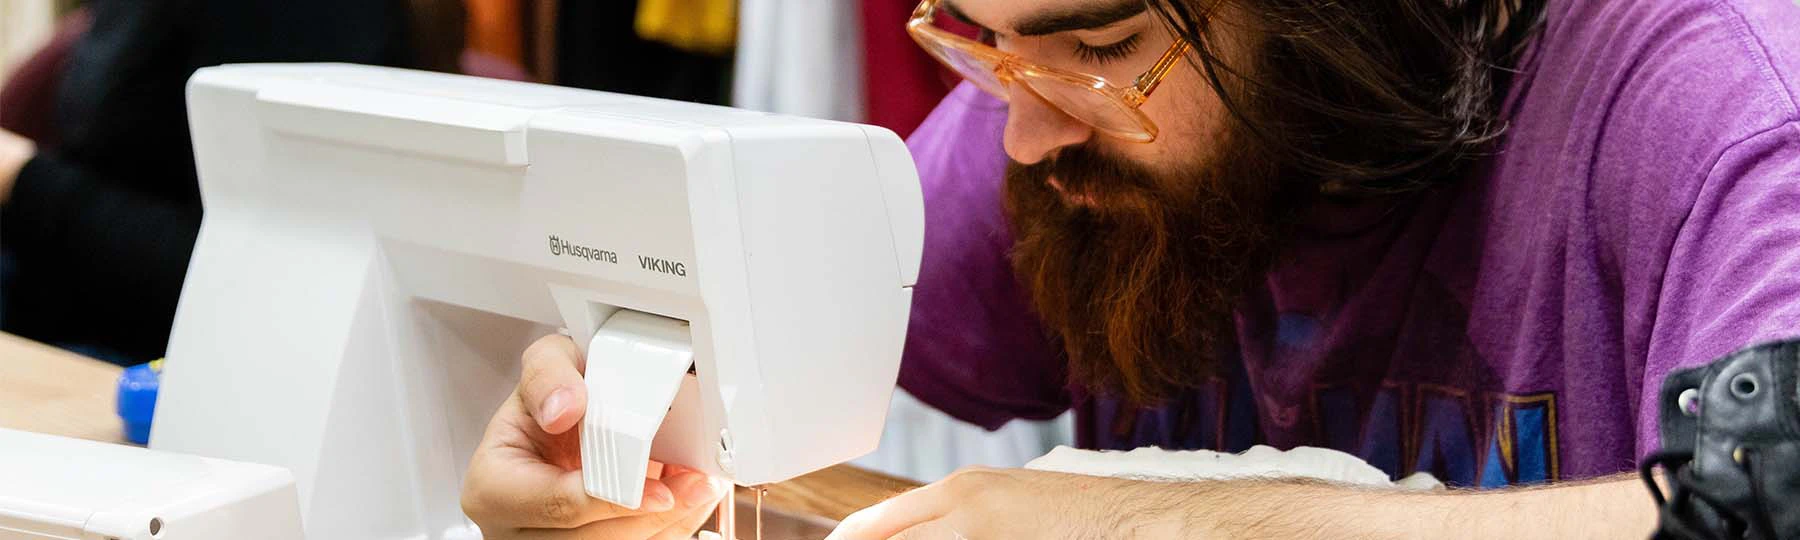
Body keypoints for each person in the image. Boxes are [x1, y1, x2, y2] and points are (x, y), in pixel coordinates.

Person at [458, 0, 1800, 537]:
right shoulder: (1049, 117)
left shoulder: (1716, 101)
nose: (1020, 133)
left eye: (1102, 47)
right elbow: (741, 366)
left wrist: (1179, 523)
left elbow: (1769, 498)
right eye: (978, 37)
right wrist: (621, 431)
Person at [0, 0, 462, 364]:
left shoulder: (298, 16)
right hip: (72, 306)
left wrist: (21, 178)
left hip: (161, 357)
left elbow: (265, 278)